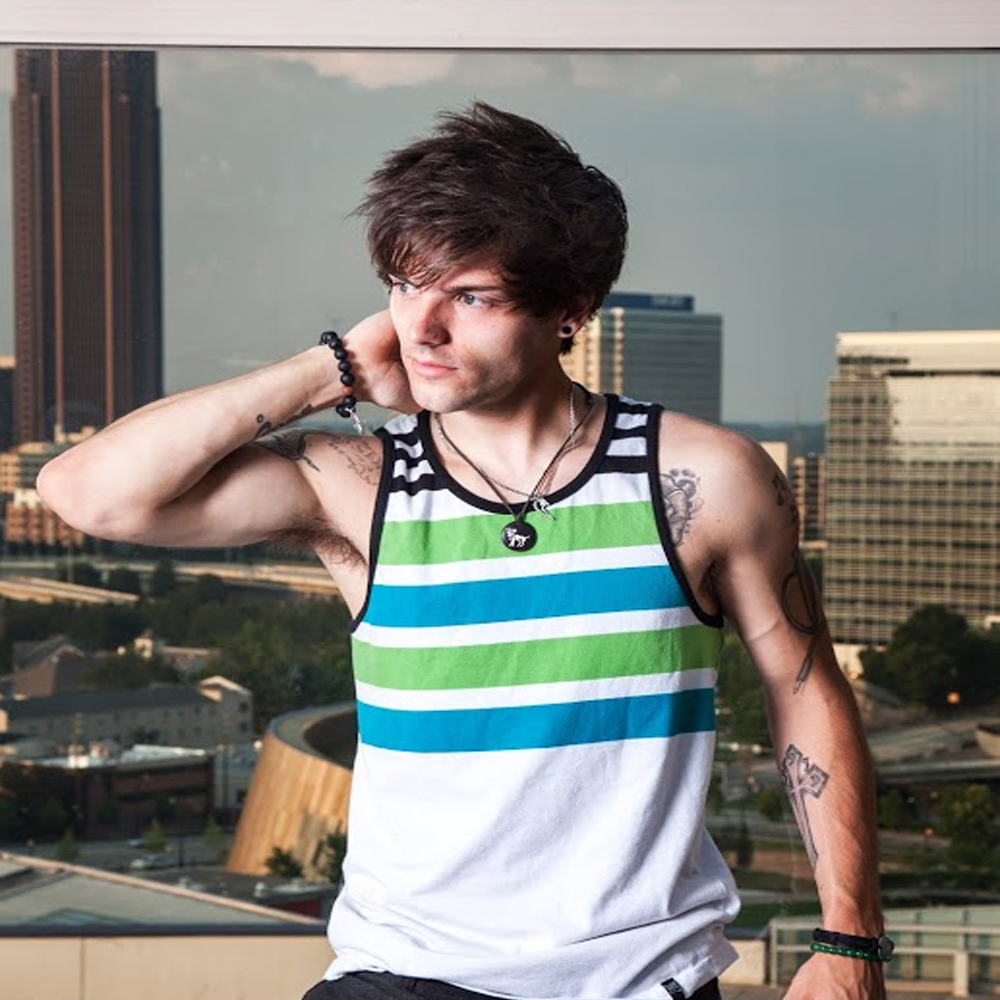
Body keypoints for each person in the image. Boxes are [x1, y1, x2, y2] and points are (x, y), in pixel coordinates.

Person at [38, 103, 887, 1000]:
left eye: (471, 296)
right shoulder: (361, 483)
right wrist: (331, 367)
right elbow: (88, 494)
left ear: (570, 310)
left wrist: (851, 938)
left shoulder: (705, 479)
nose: (423, 328)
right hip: (400, 977)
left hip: (639, 981)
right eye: (405, 285)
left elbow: (804, 690)